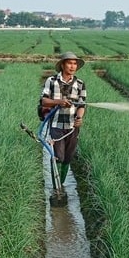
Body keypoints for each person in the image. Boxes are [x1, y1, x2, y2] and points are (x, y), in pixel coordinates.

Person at [39, 51, 87, 185]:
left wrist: (79, 117)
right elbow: (44, 101)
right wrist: (59, 102)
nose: (72, 66)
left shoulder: (80, 84)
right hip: (56, 125)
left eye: (75, 64)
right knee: (58, 157)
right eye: (69, 63)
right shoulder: (51, 81)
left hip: (72, 127)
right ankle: (57, 188)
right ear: (62, 65)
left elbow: (82, 104)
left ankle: (62, 184)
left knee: (68, 158)